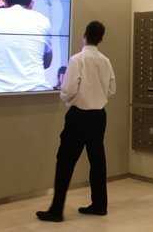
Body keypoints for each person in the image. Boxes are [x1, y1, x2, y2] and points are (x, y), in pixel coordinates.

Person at [37, 20, 115, 222]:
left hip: (79, 116)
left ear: (84, 35)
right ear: (101, 39)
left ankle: (56, 210)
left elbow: (69, 89)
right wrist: (98, 98)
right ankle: (100, 205)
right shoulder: (105, 61)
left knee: (65, 161)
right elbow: (111, 89)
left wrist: (67, 99)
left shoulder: (77, 59)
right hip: (99, 116)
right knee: (97, 161)